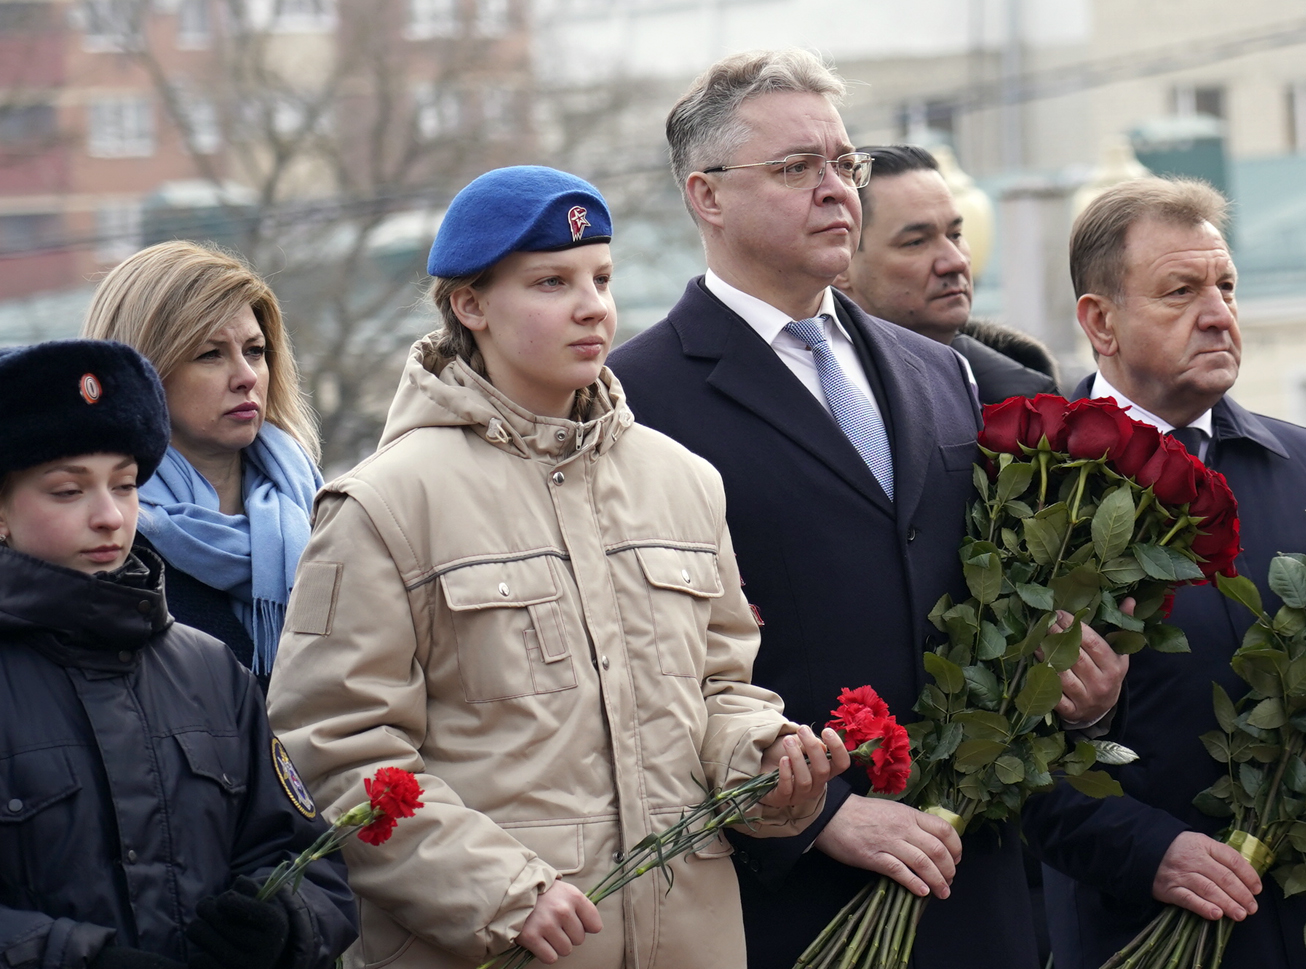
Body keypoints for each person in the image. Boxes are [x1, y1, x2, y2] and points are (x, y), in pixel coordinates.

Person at [607, 49, 1127, 969]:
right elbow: (639, 676)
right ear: (707, 196)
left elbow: (983, 602)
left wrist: (1075, 699)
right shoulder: (637, 399)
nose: (838, 190)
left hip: (975, 884)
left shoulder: (939, 370)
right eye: (796, 168)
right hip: (792, 903)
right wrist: (817, 815)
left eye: (843, 164)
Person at [266, 166, 846, 969]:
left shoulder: (683, 480)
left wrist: (764, 758)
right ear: (470, 305)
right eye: (551, 282)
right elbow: (338, 747)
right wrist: (498, 891)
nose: (592, 306)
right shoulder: (385, 503)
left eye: (601, 278)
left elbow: (722, 687)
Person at [1019, 177, 1306, 969]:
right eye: (1181, 290)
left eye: (1225, 286)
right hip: (1146, 931)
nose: (1219, 313)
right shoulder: (1032, 491)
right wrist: (1151, 851)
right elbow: (994, 752)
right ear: (1100, 320)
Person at [0, 339, 356, 969]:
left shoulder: (212, 672)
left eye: (126, 484)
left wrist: (282, 922)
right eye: (66, 491)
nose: (109, 516)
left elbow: (308, 861)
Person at [82, 241, 323, 684]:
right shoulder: (103, 542)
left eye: (255, 351)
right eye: (210, 354)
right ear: (144, 372)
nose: (247, 376)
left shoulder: (323, 508)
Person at [833, 143, 1058, 404]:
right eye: (916, 242)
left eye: (955, 235)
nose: (956, 261)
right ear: (842, 264)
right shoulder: (821, 393)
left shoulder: (1027, 395)